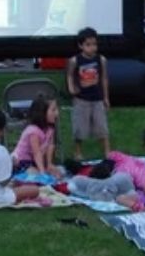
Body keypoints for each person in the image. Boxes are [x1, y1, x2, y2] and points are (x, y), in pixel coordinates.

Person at [67, 27, 110, 160]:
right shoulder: (75, 60)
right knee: (80, 128)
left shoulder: (101, 60)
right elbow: (69, 75)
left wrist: (106, 97)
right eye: (88, 45)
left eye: (94, 44)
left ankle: (107, 152)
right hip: (81, 99)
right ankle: (78, 152)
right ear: (80, 45)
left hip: (97, 99)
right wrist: (71, 89)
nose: (92, 48)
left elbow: (104, 78)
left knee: (102, 127)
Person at [11, 96, 62, 178]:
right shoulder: (33, 131)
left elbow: (50, 146)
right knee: (36, 176)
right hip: (21, 161)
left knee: (58, 174)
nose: (57, 113)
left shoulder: (50, 128)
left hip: (34, 161)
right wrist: (42, 173)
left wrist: (49, 164)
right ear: (42, 112)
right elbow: (36, 153)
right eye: (53, 110)